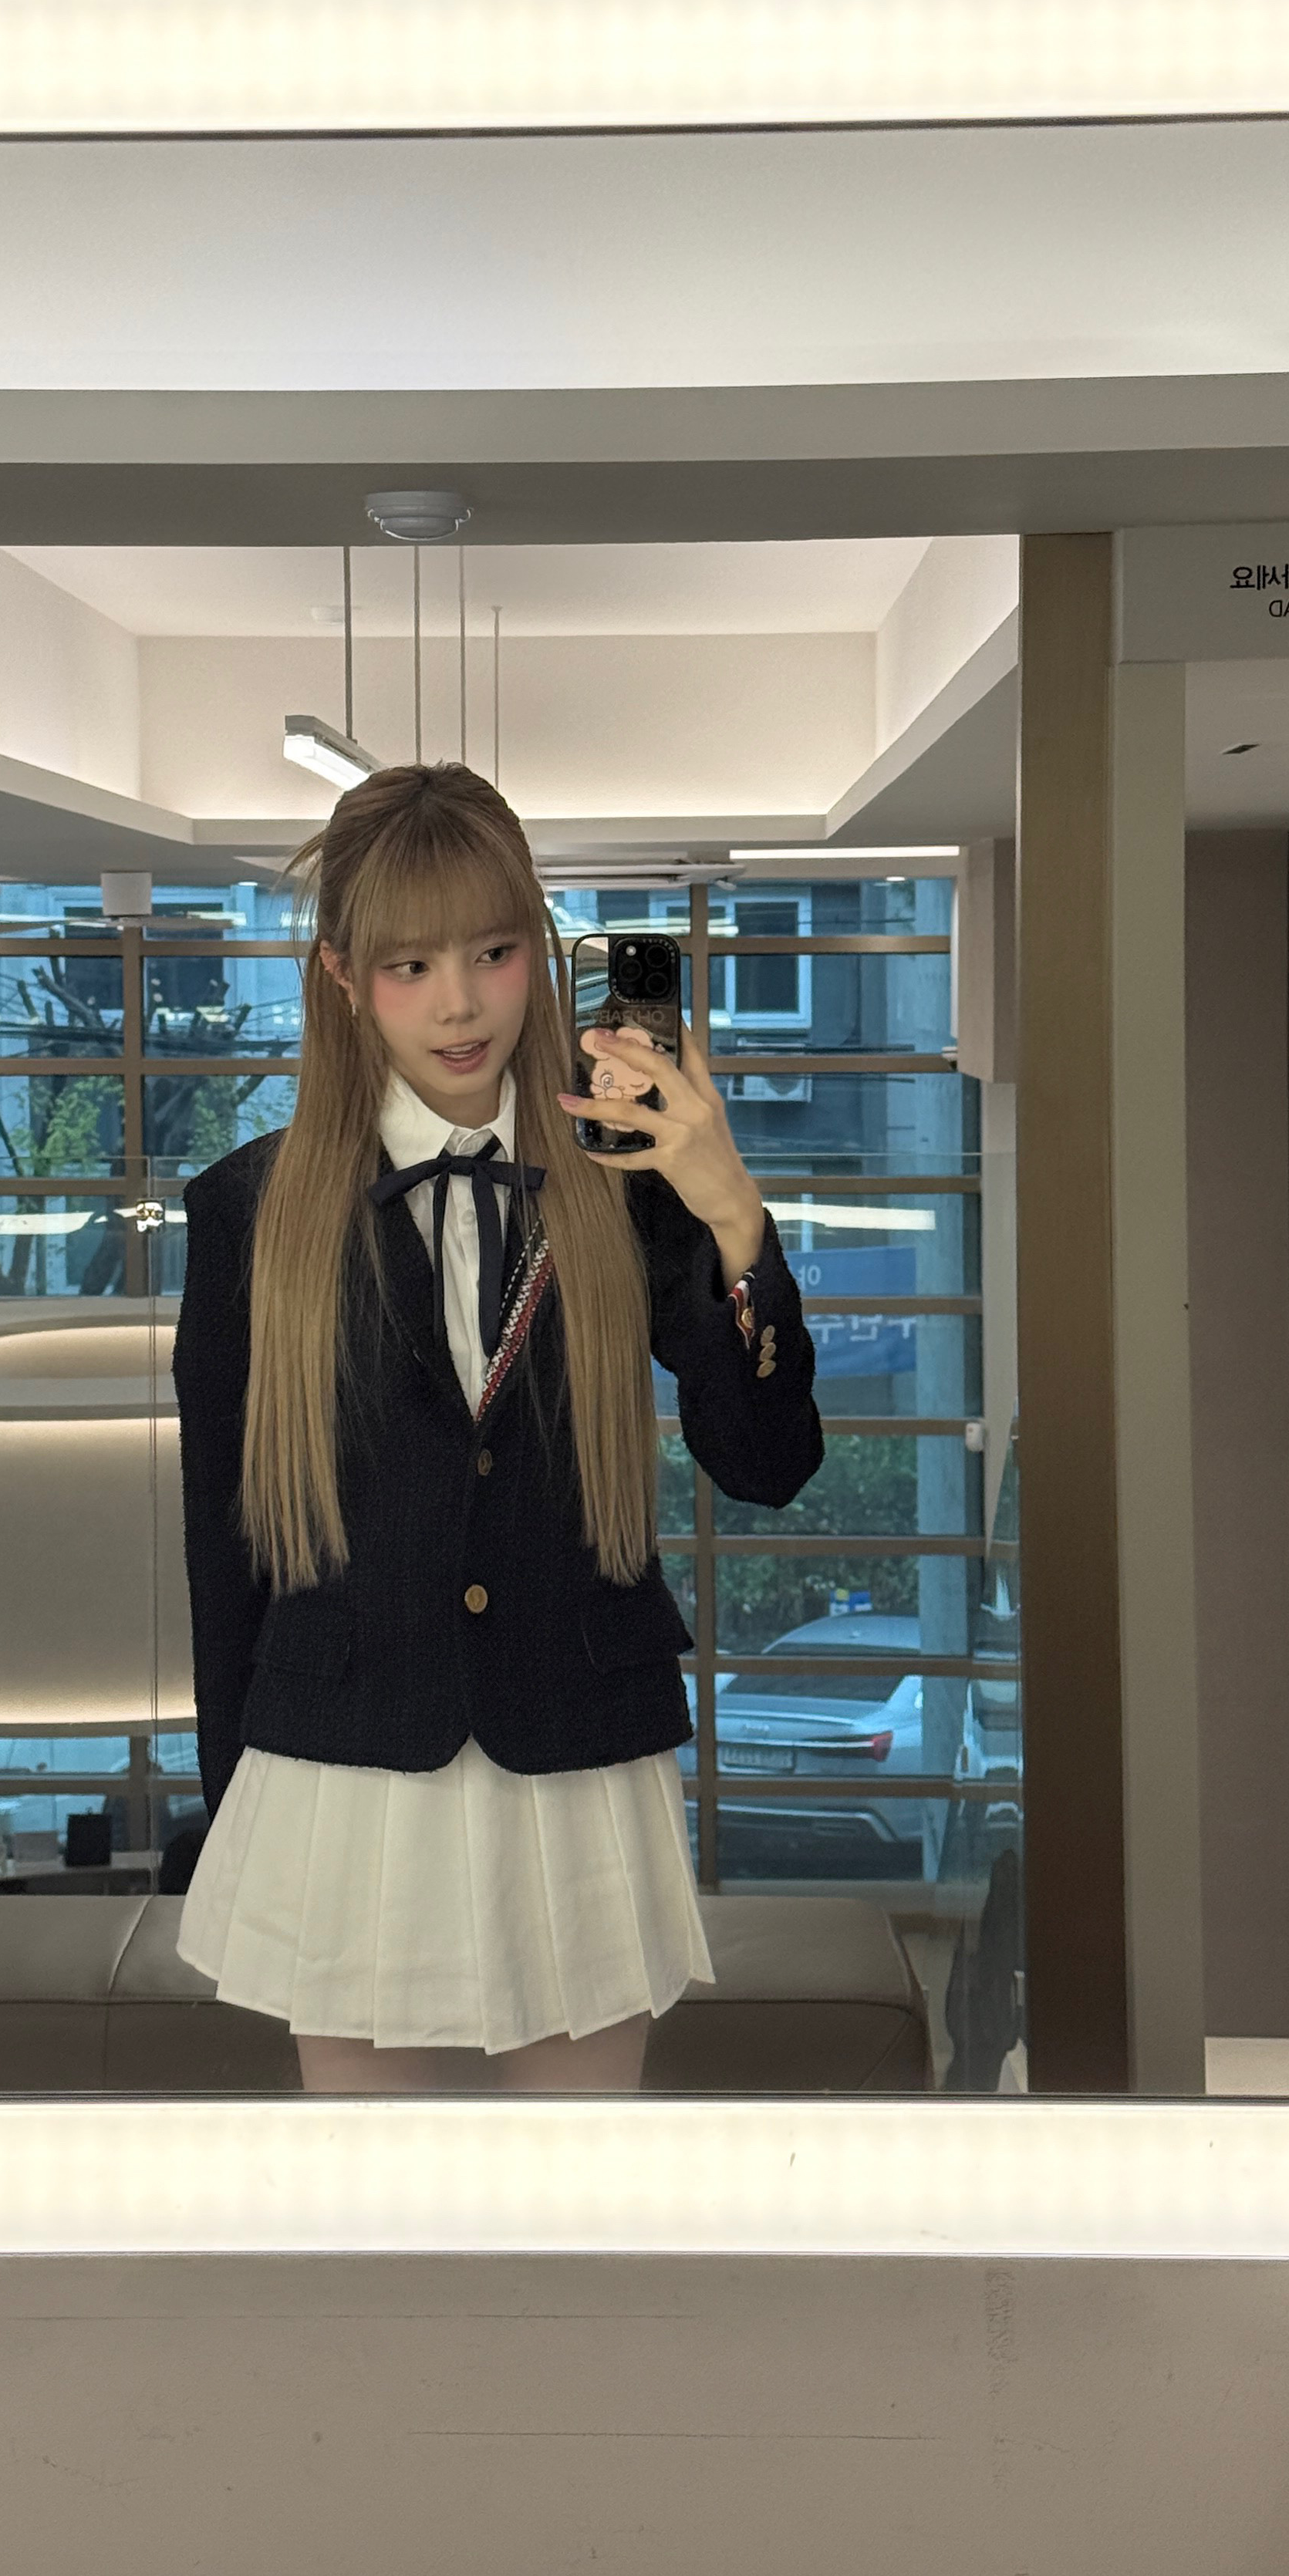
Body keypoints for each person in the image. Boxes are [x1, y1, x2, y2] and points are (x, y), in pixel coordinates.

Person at [173, 763, 822, 2092]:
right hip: (342, 1770)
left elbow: (766, 1463)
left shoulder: (632, 1181)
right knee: (370, 2199)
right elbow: (223, 1547)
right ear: (341, 977)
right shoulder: (250, 1210)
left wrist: (732, 1215)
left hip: (576, 1753)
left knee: (578, 2195)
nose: (459, 1003)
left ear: (542, 948)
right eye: (408, 966)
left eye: (492, 952)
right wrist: (239, 1801)